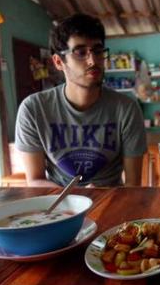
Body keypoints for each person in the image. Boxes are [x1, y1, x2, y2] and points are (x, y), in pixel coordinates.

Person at [15, 14, 147, 187]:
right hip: (58, 206)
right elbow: (35, 180)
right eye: (80, 52)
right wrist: (79, 199)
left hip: (113, 204)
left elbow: (132, 184)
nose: (93, 61)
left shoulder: (126, 109)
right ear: (58, 61)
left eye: (98, 51)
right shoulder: (33, 109)